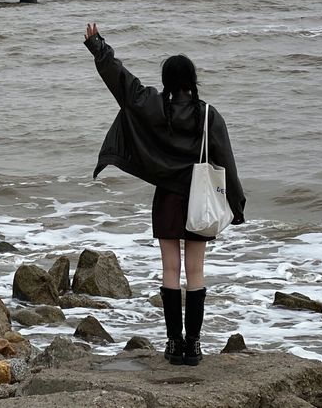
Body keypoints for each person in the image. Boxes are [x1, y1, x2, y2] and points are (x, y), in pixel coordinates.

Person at [83, 22, 245, 367]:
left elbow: (123, 84)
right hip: (200, 201)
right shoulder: (207, 116)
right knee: (196, 272)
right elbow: (226, 161)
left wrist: (99, 47)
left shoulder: (153, 105)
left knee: (170, 270)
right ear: (192, 81)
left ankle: (174, 345)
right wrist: (237, 203)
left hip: (168, 201)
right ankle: (195, 346)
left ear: (168, 82)